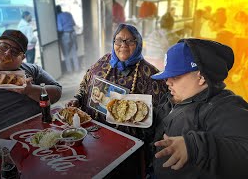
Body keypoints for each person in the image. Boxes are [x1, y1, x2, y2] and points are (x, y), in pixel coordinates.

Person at [66, 23, 167, 177]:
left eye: (129, 41)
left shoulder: (150, 75)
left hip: (127, 147)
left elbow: (161, 117)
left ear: (138, 43)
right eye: (118, 40)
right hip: (93, 136)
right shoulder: (104, 61)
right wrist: (77, 99)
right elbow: (85, 84)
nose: (123, 45)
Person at [150, 39, 248, 178]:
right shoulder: (178, 96)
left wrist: (195, 147)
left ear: (201, 77)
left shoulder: (223, 107)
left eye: (175, 76)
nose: (167, 82)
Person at [56, 5, 80, 74]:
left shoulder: (58, 16)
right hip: (73, 33)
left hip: (65, 35)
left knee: (66, 54)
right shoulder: (68, 14)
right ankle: (77, 69)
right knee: (74, 52)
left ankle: (70, 71)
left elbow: (60, 29)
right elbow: (73, 24)